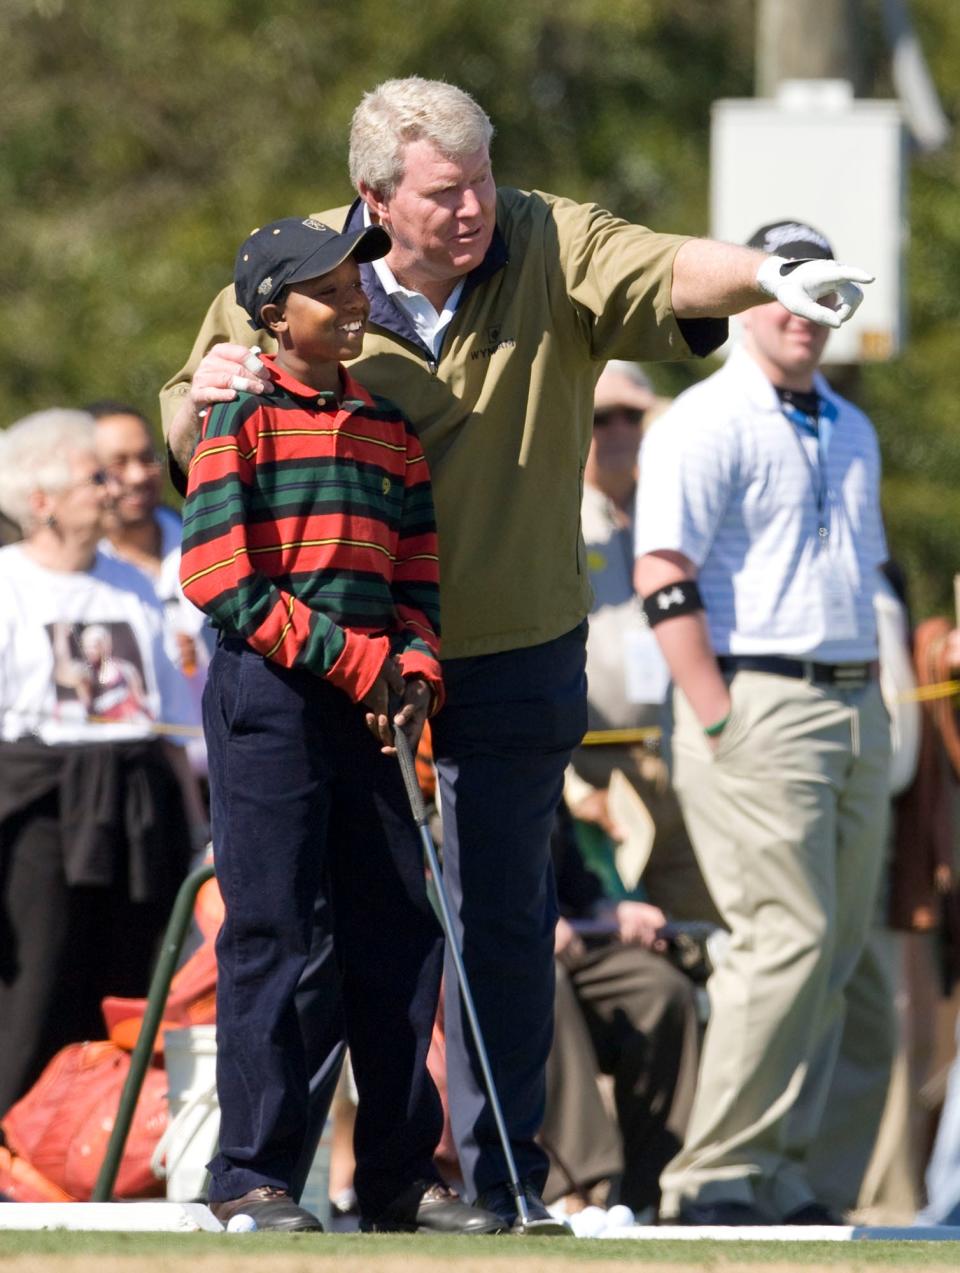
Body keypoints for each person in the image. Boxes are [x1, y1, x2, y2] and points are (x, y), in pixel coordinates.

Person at [160, 77, 873, 1231]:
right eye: (447, 191)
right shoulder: (297, 278)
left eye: (484, 176)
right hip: (338, 661)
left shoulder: (548, 238)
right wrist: (209, 393)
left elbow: (661, 266)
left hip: (507, 648)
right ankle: (261, 1179)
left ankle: (492, 1183)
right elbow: (199, 415)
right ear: (375, 198)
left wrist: (770, 272)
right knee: (309, 923)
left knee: (495, 920)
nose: (475, 206)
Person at [178, 215, 502, 1236]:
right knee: (275, 933)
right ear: (273, 315)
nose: (358, 300)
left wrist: (412, 664)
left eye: (358, 284)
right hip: (269, 699)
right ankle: (253, 1178)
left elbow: (415, 575)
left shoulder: (389, 429)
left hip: (373, 703)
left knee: (398, 939)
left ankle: (402, 1178)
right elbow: (217, 576)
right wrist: (359, 658)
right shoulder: (239, 420)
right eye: (331, 290)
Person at [634, 219, 891, 1225]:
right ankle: (712, 1179)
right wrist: (718, 714)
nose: (804, 312)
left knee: (836, 954)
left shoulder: (852, 424)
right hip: (756, 696)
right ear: (749, 296)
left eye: (823, 291)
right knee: (784, 936)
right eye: (788, 287)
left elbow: (862, 577)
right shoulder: (705, 420)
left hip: (855, 700)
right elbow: (663, 570)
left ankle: (789, 1179)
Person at [0, 409, 191, 1115]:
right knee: (38, 982)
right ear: (41, 500)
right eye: (94, 476)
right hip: (37, 807)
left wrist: (199, 831)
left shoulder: (136, 585)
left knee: (130, 984)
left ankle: (101, 1151)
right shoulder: (7, 584)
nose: (113, 488)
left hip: (137, 805)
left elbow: (169, 727)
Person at [567, 360, 719, 923]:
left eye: (634, 416)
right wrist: (571, 787)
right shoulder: (559, 518)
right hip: (594, 773)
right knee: (628, 943)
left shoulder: (673, 513)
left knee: (704, 933)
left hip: (679, 762)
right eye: (602, 418)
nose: (621, 431)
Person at [541, 802, 700, 1218]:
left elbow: (566, 863)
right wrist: (529, 915)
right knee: (542, 984)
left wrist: (603, 906)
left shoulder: (542, 747)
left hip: (568, 935)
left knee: (661, 991)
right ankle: (573, 1189)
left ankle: (645, 1191)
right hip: (483, 940)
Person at [89, 401, 210, 845]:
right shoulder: (81, 574)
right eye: (118, 463)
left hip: (235, 775)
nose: (139, 475)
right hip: (141, 794)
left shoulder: (207, 543)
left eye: (146, 458)